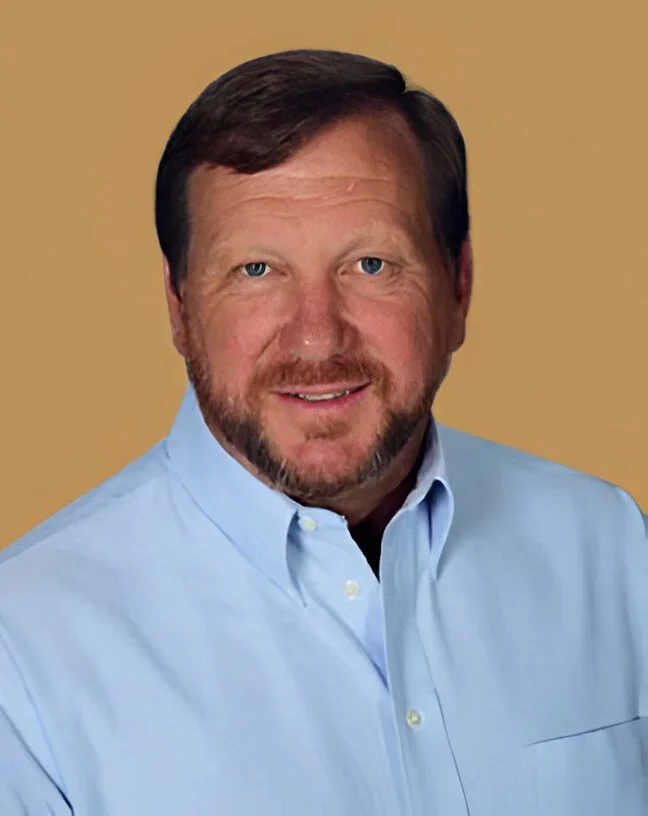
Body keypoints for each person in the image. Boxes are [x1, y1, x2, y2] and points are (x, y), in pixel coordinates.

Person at [0, 48, 645, 816]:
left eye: (370, 265)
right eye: (256, 271)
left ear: (458, 288)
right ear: (179, 308)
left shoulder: (612, 547)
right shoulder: (23, 650)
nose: (316, 337)